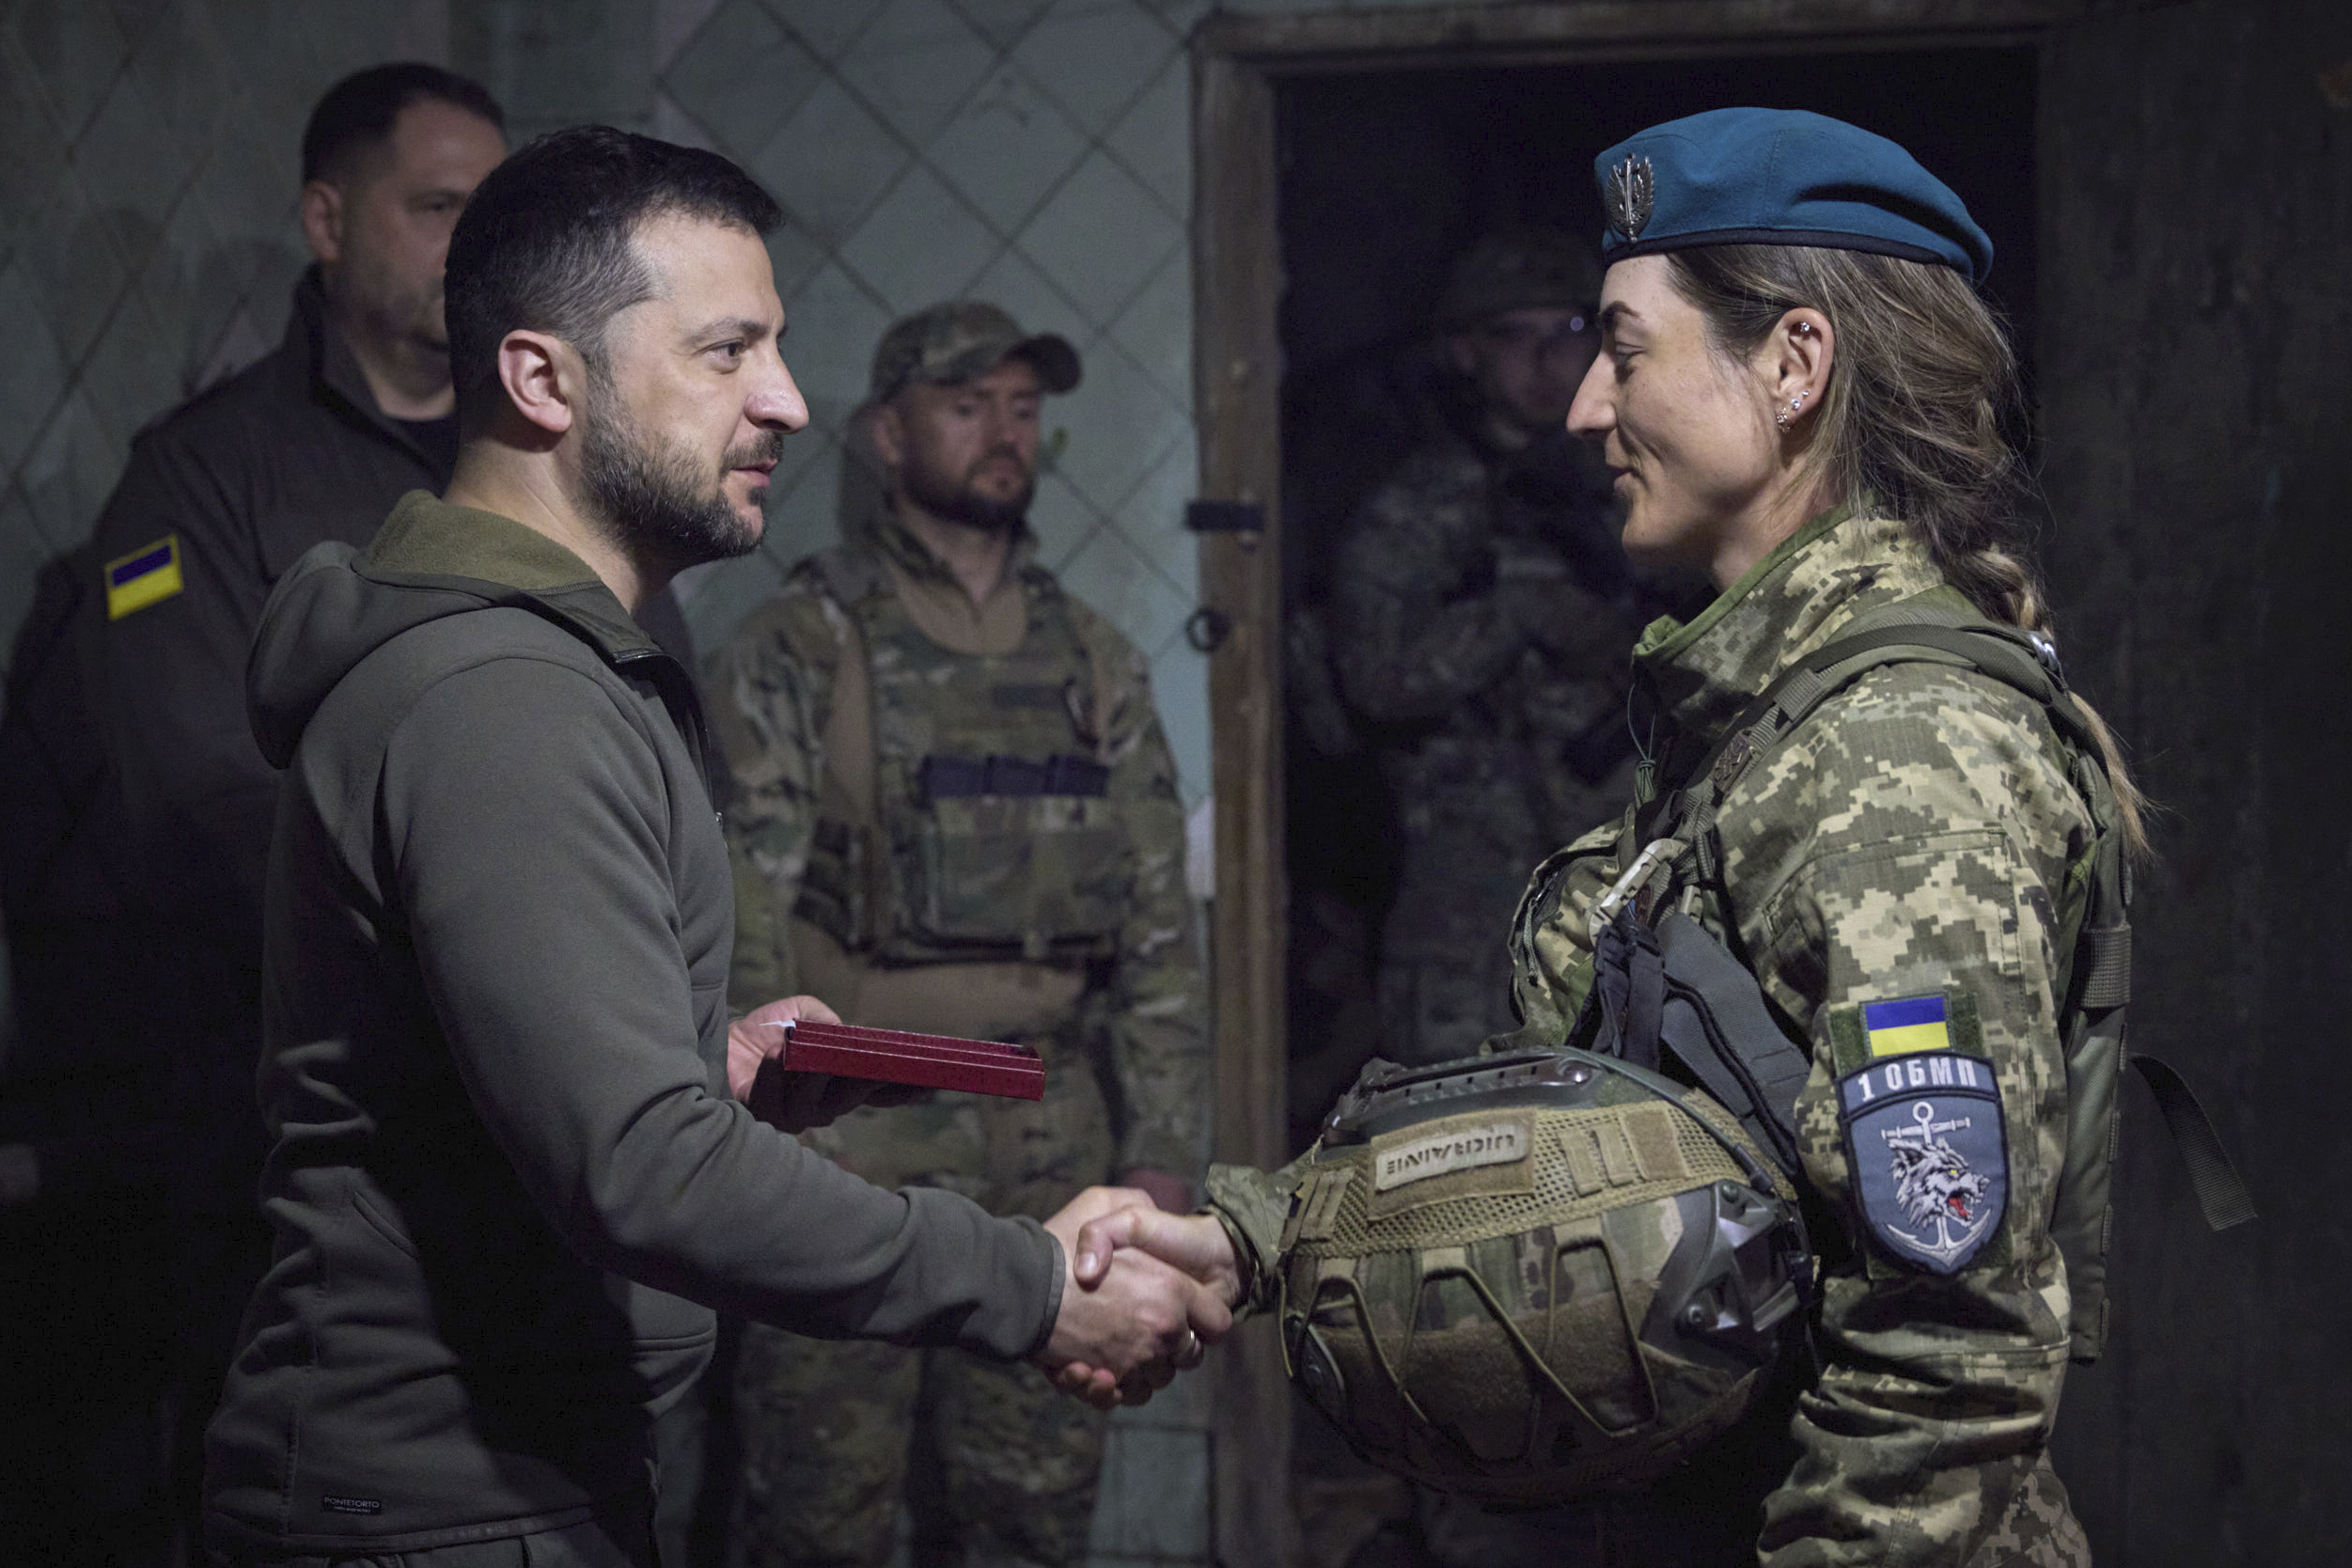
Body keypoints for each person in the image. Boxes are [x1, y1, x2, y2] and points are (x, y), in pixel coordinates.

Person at [1066, 107, 2141, 1567]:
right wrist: (1263, 1237)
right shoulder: (1765, 713)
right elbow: (1612, 1147)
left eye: (1622, 351)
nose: (1583, 406)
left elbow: (1943, 1353)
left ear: (1795, 363)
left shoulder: (1895, 756)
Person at [202, 126, 1225, 1568]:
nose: (785, 401)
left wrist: (700, 1061)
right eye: (726, 351)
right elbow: (641, 1166)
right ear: (543, 380)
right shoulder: (503, 699)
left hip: (505, 1478)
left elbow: (531, 1095)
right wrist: (1031, 1284)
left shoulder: (548, 672)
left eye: (776, 348)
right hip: (438, 1507)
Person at [78, 61, 510, 1551]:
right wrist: (485, 942)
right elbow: (199, 805)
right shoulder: (199, 482)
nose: (474, 243)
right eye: (438, 206)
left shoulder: (539, 464)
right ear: (329, 221)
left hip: (535, 1125)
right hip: (302, 1138)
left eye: (493, 211)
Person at [708, 300, 1210, 1568]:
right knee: (817, 1514)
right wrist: (756, 1148)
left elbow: (1158, 931)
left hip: (1051, 1140)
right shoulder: (798, 647)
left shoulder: (1095, 660)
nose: (1003, 432)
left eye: (1023, 409)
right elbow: (742, 910)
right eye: (966, 403)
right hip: (846, 1143)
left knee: (1030, 1518)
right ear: (888, 433)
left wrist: (1160, 1163)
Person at [1326, 229, 1647, 1071]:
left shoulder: (1635, 485)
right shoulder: (1421, 508)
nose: (1544, 362)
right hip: (1467, 889)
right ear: (1467, 352)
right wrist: (1517, 616)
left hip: (1616, 870)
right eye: (1514, 335)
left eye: (1568, 333)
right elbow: (1374, 676)